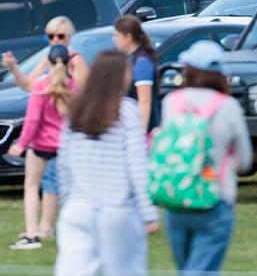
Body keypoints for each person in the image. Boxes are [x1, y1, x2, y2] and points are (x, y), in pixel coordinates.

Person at [153, 40, 251, 276]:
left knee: (186, 268)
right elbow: (245, 160)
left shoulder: (171, 102)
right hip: (215, 197)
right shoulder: (228, 106)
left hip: (177, 195)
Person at [54, 51, 156, 276]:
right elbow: (136, 165)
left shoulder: (75, 110)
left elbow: (63, 164)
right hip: (116, 209)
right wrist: (148, 211)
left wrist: (68, 200)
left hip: (77, 209)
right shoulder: (127, 110)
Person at [9, 43, 74, 249]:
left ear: (48, 61)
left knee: (31, 186)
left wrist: (22, 143)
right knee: (69, 190)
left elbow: (33, 120)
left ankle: (31, 234)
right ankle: (71, 231)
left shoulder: (41, 86)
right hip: (65, 145)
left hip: (41, 145)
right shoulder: (74, 87)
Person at [112, 15, 157, 129]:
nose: (114, 39)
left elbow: (144, 101)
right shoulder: (130, 59)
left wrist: (141, 132)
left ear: (128, 37)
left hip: (142, 130)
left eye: (117, 35)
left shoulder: (142, 63)